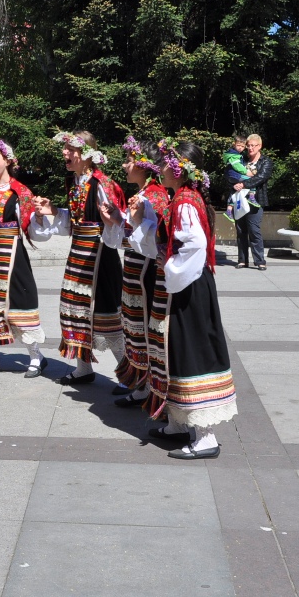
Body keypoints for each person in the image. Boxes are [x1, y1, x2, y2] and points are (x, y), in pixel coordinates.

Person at [132, 138, 236, 460]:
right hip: (188, 282)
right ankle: (179, 422)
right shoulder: (185, 197)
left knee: (194, 350)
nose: (160, 168)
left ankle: (206, 437)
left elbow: (194, 244)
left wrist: (170, 266)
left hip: (190, 284)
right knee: (177, 348)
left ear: (179, 170)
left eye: (166, 164)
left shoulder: (185, 201)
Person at [33, 130, 126, 385]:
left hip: (100, 256)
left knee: (107, 313)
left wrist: (110, 224)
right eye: (65, 148)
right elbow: (75, 222)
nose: (65, 153)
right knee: (74, 309)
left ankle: (130, 376)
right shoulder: (74, 182)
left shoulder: (102, 183)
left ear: (86, 154)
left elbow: (118, 222)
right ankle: (84, 367)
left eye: (71, 149)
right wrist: (52, 210)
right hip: (78, 253)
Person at [0, 137, 48, 378]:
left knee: (20, 303)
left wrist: (40, 217)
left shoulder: (20, 192)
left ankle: (36, 357)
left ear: (7, 161)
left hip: (11, 255)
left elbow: (32, 229)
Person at [112, 135, 172, 404]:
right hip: (136, 272)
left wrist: (134, 221)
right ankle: (143, 385)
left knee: (147, 330)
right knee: (136, 329)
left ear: (144, 165)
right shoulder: (144, 194)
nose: (125, 165)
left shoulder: (155, 196)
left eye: (129, 160)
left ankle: (151, 388)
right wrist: (116, 218)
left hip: (147, 276)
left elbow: (156, 240)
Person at [232, 133, 273, 269]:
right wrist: (235, 183)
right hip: (239, 200)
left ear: (259, 146)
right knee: (241, 231)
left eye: (253, 145)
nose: (250, 148)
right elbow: (229, 172)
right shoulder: (240, 159)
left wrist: (244, 184)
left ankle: (260, 261)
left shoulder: (265, 161)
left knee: (254, 230)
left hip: (256, 200)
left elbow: (261, 177)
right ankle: (242, 260)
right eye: (248, 146)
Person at [223, 135, 257, 218]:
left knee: (234, 192)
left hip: (232, 176)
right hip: (235, 175)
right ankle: (252, 197)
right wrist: (246, 172)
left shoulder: (234, 154)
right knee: (251, 180)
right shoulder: (234, 155)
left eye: (242, 146)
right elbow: (237, 166)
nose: (240, 148)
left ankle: (229, 210)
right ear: (234, 144)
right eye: (238, 145)